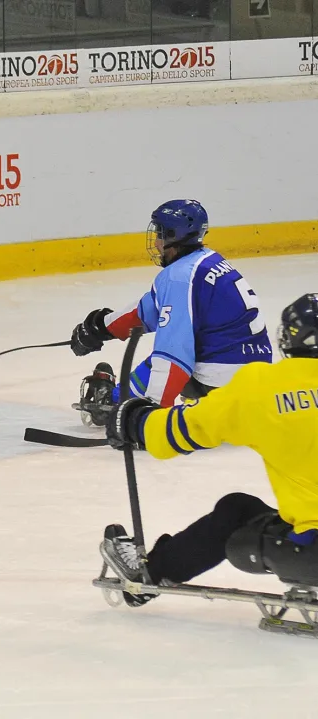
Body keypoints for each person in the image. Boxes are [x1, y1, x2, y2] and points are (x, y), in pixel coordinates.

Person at [100, 293, 318, 605]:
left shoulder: (263, 387)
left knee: (235, 513)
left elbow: (185, 429)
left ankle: (147, 578)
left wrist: (135, 420)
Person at [69, 199, 272, 426]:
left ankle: (113, 402)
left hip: (221, 382)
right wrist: (101, 327)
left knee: (158, 361)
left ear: (175, 236)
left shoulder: (179, 276)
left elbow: (173, 353)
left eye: (160, 234)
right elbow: (150, 309)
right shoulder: (207, 260)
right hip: (256, 379)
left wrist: (152, 419)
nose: (156, 242)